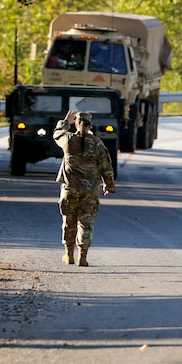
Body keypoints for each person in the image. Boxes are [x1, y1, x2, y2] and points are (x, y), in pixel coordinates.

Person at [53, 109, 116, 267]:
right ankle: (83, 256)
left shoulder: (68, 140)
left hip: (70, 189)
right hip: (90, 191)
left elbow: (57, 133)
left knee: (69, 221)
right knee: (86, 223)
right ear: (90, 125)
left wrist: (66, 121)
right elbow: (106, 166)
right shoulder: (97, 143)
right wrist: (109, 185)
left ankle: (69, 254)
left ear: (76, 123)